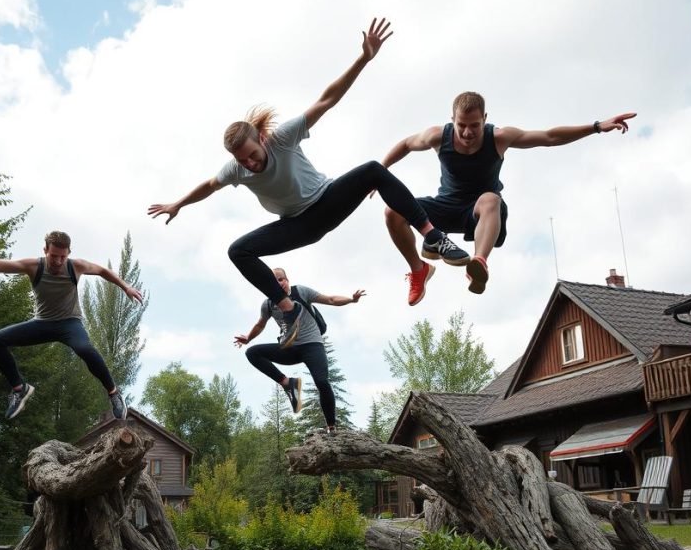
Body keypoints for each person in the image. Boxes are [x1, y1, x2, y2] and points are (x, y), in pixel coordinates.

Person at [148, 18, 465, 346]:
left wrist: (363, 59)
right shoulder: (237, 169)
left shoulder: (282, 137)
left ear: (261, 137)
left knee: (373, 169)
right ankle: (289, 310)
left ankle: (432, 239)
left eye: (253, 154)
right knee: (238, 250)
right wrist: (178, 204)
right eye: (243, 161)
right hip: (298, 226)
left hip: (328, 200)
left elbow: (327, 100)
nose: (251, 164)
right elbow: (209, 184)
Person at [380, 91, 636, 302]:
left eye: (475, 126)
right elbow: (405, 145)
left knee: (490, 198)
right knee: (393, 209)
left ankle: (478, 263)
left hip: (481, 214)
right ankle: (419, 269)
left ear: (485, 119)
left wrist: (597, 127)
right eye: (461, 126)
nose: (468, 133)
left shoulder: (499, 138)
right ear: (452, 120)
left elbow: (549, 137)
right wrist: (381, 172)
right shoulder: (438, 136)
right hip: (445, 207)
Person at [0, 228, 143, 420]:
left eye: (62, 257)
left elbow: (103, 271)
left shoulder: (76, 266)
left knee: (84, 348)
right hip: (42, 323)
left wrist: (126, 287)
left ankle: (114, 393)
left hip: (69, 324)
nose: (57, 261)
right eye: (53, 256)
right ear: (45, 250)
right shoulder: (33, 266)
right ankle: (19, 388)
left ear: (68, 254)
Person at [234, 267, 364, 433]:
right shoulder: (268, 304)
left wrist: (351, 300)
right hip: (290, 348)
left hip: (312, 346)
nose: (278, 283)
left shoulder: (301, 291)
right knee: (252, 353)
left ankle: (331, 427)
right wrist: (248, 338)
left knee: (322, 381)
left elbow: (330, 299)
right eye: (274, 281)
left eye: (281, 279)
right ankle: (288, 383)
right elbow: (260, 324)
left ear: (287, 280)